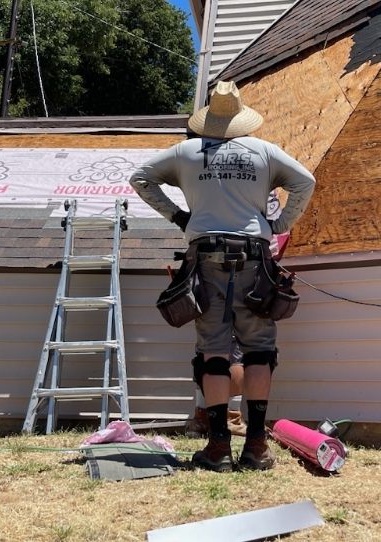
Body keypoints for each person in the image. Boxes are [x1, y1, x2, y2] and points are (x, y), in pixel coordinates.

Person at [129, 81, 316, 471]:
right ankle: (257, 446)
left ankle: (217, 448)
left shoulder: (187, 151)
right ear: (241, 119)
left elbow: (141, 179)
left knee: (213, 350)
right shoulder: (264, 151)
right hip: (254, 257)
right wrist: (279, 222)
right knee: (260, 349)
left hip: (206, 257)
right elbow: (305, 182)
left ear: (209, 119)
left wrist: (180, 217)